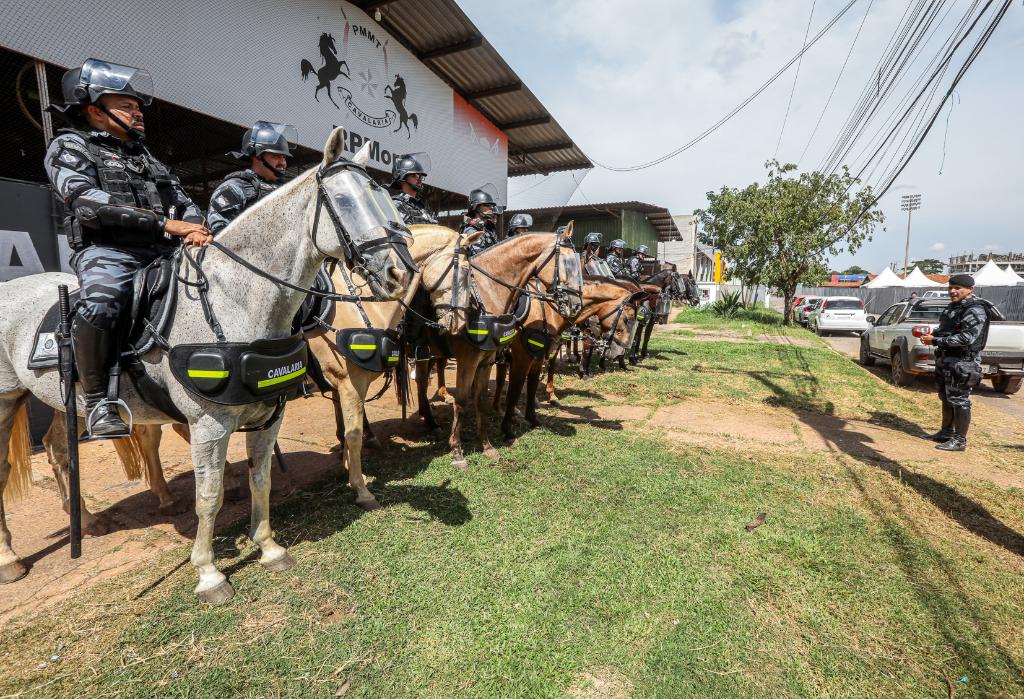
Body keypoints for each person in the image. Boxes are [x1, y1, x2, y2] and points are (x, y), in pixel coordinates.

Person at [45, 58, 210, 436]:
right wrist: (167, 224)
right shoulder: (70, 145)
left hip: (163, 252)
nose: (138, 112)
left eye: (137, 106)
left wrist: (197, 227)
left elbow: (183, 201)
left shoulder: (145, 156)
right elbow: (85, 200)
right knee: (103, 301)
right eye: (127, 105)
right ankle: (99, 402)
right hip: (109, 251)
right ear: (95, 111)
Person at [919, 274, 993, 452]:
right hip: (947, 359)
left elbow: (967, 338)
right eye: (950, 287)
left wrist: (936, 341)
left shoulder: (975, 309)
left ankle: (959, 441)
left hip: (964, 361)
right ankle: (946, 432)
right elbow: (945, 329)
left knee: (960, 400)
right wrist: (934, 335)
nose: (952, 291)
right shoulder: (954, 307)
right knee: (946, 397)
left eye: (958, 288)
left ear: (970, 289)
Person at [207, 121, 296, 234]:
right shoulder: (234, 188)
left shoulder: (285, 189)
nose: (283, 163)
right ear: (258, 157)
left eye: (284, 157)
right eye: (276, 156)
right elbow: (220, 235)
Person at [389, 152, 437, 225]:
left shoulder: (424, 207)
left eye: (421, 177)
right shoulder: (394, 204)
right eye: (416, 176)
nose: (420, 180)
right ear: (402, 177)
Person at [461, 186, 500, 256]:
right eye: (487, 205)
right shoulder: (471, 230)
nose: (491, 208)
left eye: (492, 206)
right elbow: (479, 258)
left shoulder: (487, 229)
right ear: (476, 207)